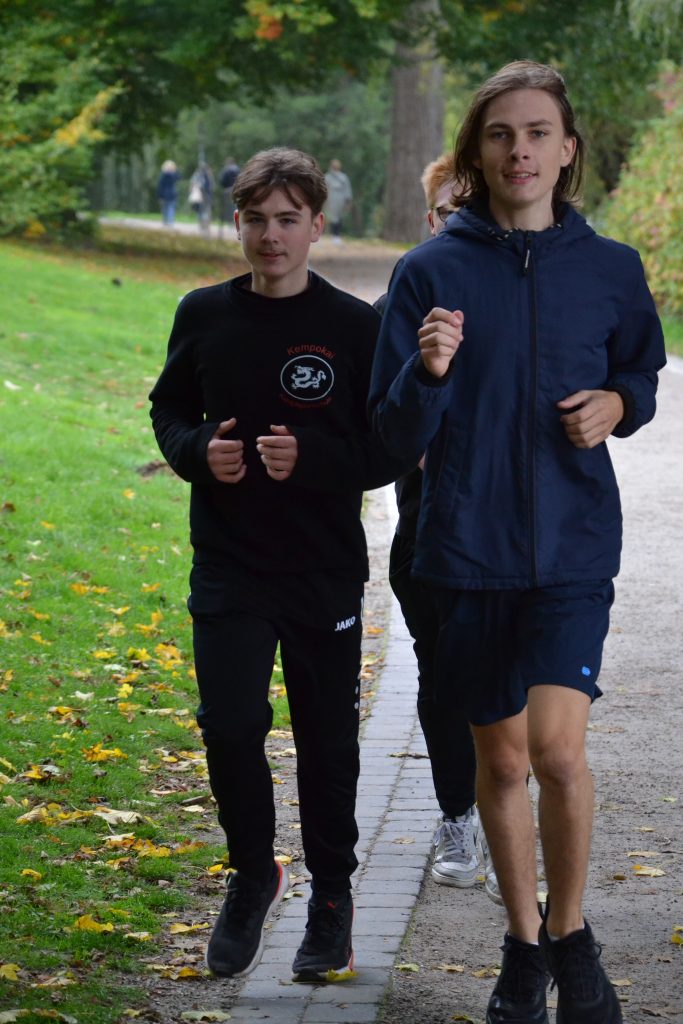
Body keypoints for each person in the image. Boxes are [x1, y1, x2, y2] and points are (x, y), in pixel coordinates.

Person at [369, 61, 665, 1024]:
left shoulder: (610, 268)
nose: (519, 150)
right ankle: (522, 947)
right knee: (499, 765)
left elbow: (640, 374)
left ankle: (572, 940)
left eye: (537, 132)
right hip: (463, 551)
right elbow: (389, 433)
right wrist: (427, 372)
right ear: (475, 153)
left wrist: (618, 403)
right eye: (500, 134)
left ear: (566, 149)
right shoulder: (428, 272)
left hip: (573, 548)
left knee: (557, 755)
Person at [149, 147, 412, 985]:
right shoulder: (202, 313)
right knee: (229, 726)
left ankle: (331, 896)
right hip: (229, 562)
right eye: (256, 219)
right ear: (237, 224)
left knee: (326, 739)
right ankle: (251, 875)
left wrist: (314, 460)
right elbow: (168, 407)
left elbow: (389, 448)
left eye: (288, 220)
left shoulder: (353, 327)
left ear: (316, 226)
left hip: (320, 569)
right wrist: (198, 451)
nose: (271, 236)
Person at [376, 153, 501, 904]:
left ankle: (505, 812)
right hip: (428, 525)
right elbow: (388, 421)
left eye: (473, 208)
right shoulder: (406, 290)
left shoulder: (518, 290)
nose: (462, 224)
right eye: (450, 211)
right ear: (431, 220)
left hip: (512, 527)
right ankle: (458, 816)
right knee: (442, 675)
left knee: (513, 676)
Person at [324, 158, 352, 243]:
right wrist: (325, 200)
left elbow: (347, 190)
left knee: (339, 217)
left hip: (341, 199)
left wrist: (348, 201)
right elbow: (326, 189)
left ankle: (338, 234)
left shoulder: (343, 177)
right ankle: (334, 234)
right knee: (333, 217)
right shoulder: (327, 177)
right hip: (332, 199)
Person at [188, 161, 215, 233]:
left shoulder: (197, 175)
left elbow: (192, 184)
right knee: (207, 211)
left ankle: (201, 226)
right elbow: (212, 186)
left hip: (200, 196)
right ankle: (206, 226)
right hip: (207, 196)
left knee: (200, 211)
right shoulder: (209, 175)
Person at [219, 155, 241, 230]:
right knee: (235, 206)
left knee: (228, 208)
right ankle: (236, 222)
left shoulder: (226, 169)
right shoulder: (237, 169)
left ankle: (229, 223)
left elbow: (221, 180)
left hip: (227, 190)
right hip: (236, 189)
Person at [157, 160, 180, 227]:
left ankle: (165, 221)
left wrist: (159, 195)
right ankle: (170, 221)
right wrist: (176, 170)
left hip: (165, 193)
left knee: (165, 208)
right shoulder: (174, 175)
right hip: (172, 193)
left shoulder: (163, 175)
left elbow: (160, 186)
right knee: (171, 208)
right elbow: (179, 177)